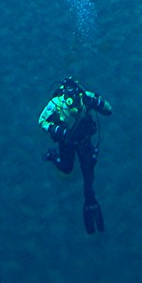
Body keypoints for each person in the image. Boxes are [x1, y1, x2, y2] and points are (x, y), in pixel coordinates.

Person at [39, 76, 112, 234]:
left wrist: (97, 103)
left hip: (84, 141)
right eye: (68, 97)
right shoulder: (57, 103)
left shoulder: (86, 98)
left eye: (74, 96)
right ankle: (53, 156)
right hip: (66, 142)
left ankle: (90, 199)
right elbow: (42, 120)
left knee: (88, 174)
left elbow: (108, 110)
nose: (71, 101)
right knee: (66, 168)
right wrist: (57, 130)